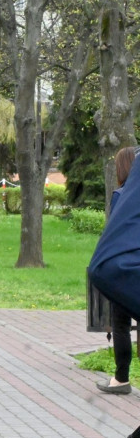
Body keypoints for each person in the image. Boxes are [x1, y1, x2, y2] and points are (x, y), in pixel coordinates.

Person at [97, 145, 139, 395]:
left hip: (123, 268)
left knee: (120, 324)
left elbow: (114, 234)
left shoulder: (120, 196)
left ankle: (121, 379)